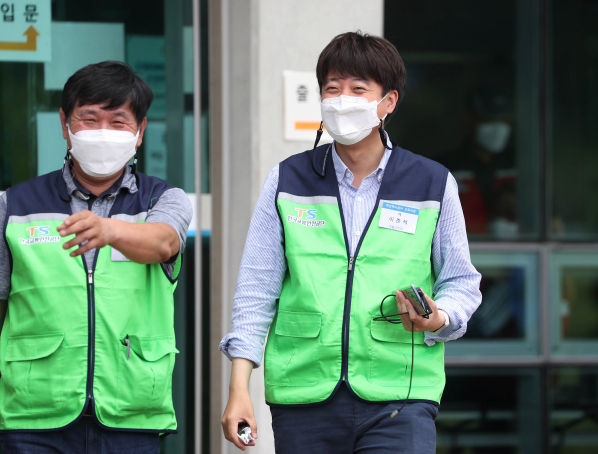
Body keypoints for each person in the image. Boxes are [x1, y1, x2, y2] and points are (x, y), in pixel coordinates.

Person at [219, 32, 482, 453]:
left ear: (388, 102)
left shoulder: (432, 183)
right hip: (303, 394)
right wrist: (238, 388)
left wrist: (440, 316)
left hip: (401, 395)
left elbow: (461, 282)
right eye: (332, 89)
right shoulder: (287, 180)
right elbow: (255, 290)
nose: (343, 100)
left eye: (359, 89)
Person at [0, 61, 192, 453]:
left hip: (131, 413)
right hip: (32, 416)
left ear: (139, 133)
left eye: (118, 122)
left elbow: (163, 243)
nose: (103, 132)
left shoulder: (163, 199)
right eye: (89, 118)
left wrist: (110, 231)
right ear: (65, 124)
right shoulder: (13, 205)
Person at [438, 85, 518, 239]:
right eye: (489, 119)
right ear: (469, 119)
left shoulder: (521, 166)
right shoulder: (444, 168)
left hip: (518, 258)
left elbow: (554, 225)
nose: (498, 127)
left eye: (503, 120)